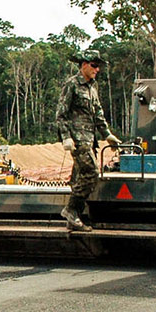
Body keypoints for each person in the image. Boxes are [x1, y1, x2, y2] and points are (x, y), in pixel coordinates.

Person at [56, 50, 121, 232]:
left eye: (98, 66)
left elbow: (98, 112)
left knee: (78, 178)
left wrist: (106, 134)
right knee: (91, 172)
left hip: (90, 139)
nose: (97, 69)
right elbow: (61, 114)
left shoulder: (93, 87)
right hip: (77, 140)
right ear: (83, 65)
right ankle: (71, 210)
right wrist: (66, 137)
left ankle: (75, 218)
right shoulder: (72, 85)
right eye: (93, 65)